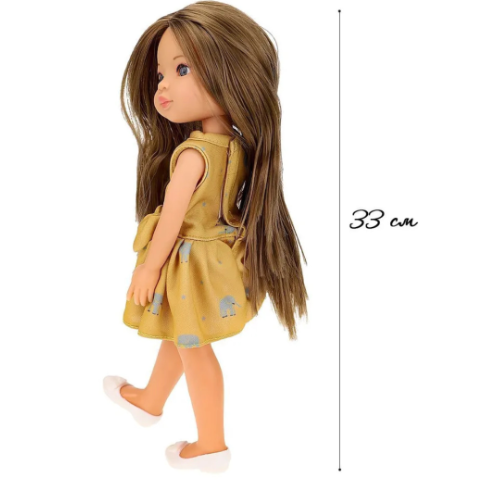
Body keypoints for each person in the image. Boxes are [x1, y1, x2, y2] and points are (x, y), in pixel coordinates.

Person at [103, 1, 309, 473]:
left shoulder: (194, 155)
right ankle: (150, 400)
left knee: (195, 351)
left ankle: (211, 445)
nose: (162, 86)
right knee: (182, 334)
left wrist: (149, 267)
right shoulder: (237, 146)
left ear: (231, 74)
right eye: (161, 74)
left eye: (181, 69)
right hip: (216, 261)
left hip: (188, 262)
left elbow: (172, 220)